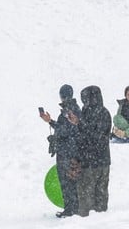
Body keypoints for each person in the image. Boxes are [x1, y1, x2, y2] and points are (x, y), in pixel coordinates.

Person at [66, 85, 111, 217]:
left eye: (85, 98)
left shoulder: (102, 113)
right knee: (93, 199)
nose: (84, 102)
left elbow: (97, 137)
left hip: (96, 163)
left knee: (92, 202)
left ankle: (98, 227)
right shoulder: (86, 112)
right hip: (90, 162)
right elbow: (82, 137)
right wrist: (76, 158)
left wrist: (79, 124)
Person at [39, 84, 82, 218]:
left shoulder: (69, 110)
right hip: (71, 150)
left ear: (62, 96)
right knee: (71, 181)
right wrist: (50, 122)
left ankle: (71, 210)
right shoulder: (73, 109)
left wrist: (51, 122)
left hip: (68, 152)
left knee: (67, 181)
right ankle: (74, 208)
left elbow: (66, 130)